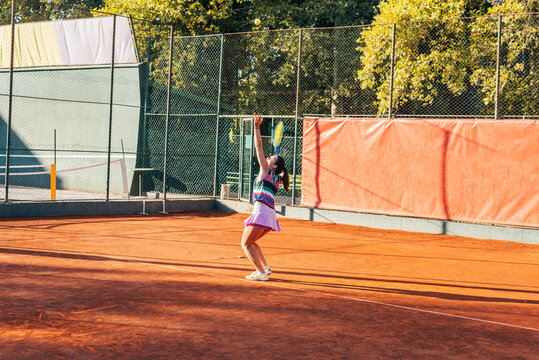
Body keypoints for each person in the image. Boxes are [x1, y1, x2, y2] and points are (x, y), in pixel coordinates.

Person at [241, 114, 290, 281]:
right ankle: (265, 268)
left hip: (262, 211)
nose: (266, 158)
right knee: (252, 242)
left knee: (246, 244)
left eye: (270, 158)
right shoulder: (278, 178)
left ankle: (260, 272)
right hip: (269, 214)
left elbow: (258, 146)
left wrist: (256, 127)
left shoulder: (266, 170)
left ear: (273, 165)